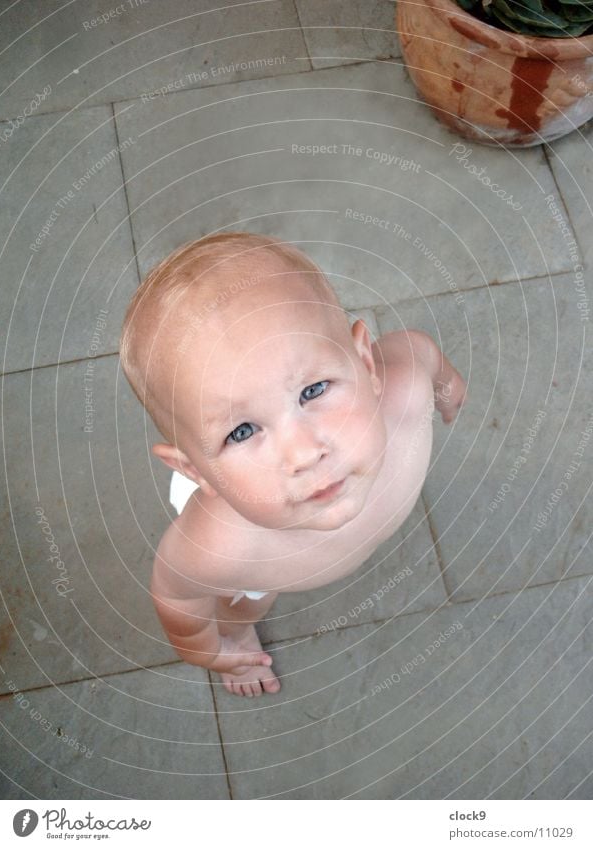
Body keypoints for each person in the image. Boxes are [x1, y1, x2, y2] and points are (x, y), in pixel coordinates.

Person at [119, 232, 467, 697]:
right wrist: (205, 648)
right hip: (259, 573)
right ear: (196, 471)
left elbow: (421, 351)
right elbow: (177, 597)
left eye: (314, 390)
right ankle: (242, 637)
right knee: (242, 605)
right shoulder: (222, 546)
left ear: (365, 362)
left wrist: (447, 389)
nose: (304, 453)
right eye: (241, 431)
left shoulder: (406, 389)